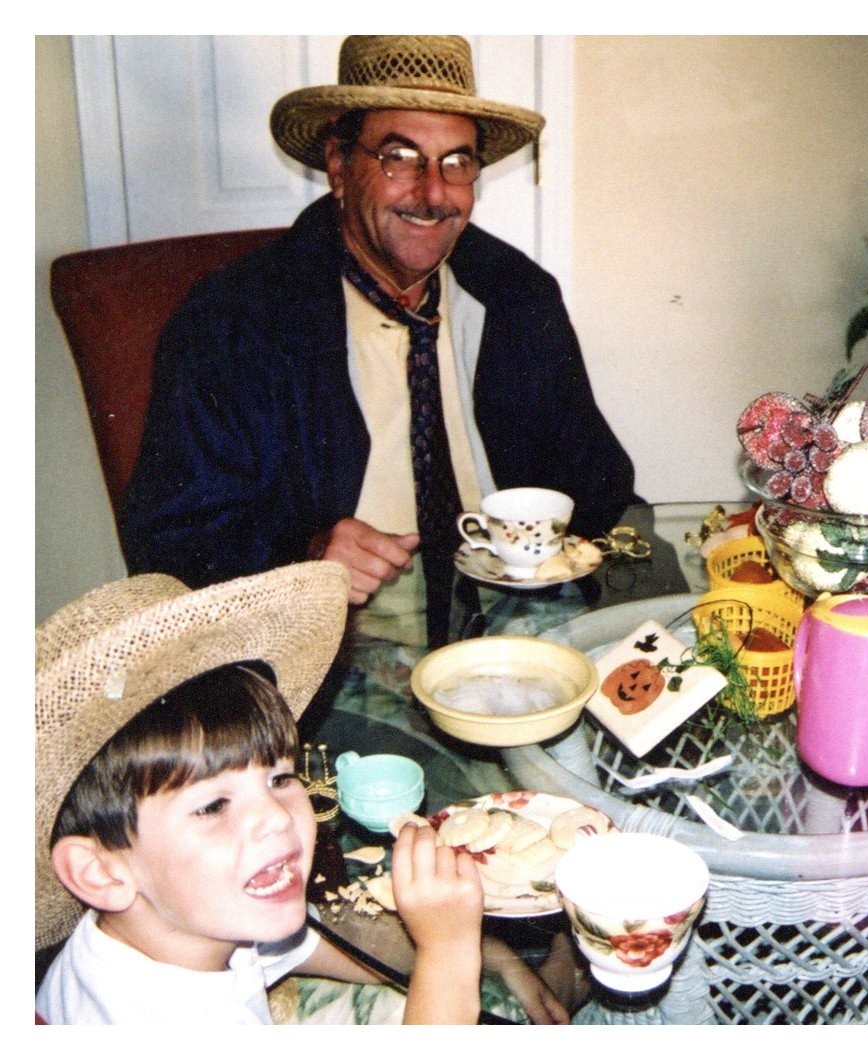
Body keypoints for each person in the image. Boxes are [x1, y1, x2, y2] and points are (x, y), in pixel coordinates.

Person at [118, 35, 640, 651]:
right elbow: (169, 538)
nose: (433, 193)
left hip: (515, 630)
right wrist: (305, 552)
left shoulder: (516, 295)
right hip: (329, 648)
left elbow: (601, 478)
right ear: (339, 168)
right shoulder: (237, 318)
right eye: (400, 157)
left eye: (457, 162)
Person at [35, 563, 581, 1024]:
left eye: (279, 778)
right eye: (213, 805)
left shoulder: (185, 919)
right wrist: (448, 950)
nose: (276, 816)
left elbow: (302, 947)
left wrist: (490, 956)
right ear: (99, 872)